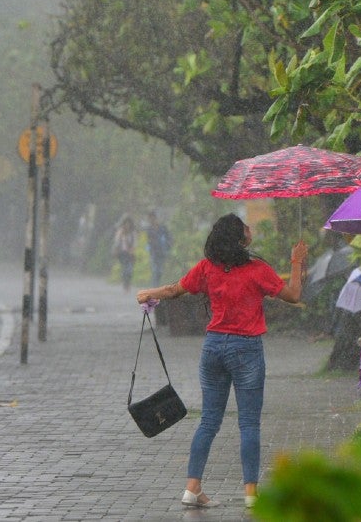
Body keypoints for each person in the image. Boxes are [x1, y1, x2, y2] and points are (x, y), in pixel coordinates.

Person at [136, 213, 307, 509]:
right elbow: (293, 295)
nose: (250, 229)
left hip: (213, 348)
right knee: (249, 424)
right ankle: (252, 494)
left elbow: (174, 291)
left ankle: (192, 487)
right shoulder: (258, 270)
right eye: (246, 227)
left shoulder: (207, 269)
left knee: (209, 421)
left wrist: (147, 293)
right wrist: (297, 262)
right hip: (246, 349)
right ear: (240, 238)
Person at [145, 211, 172, 287]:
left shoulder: (162, 228)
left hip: (162, 252)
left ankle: (156, 285)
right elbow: (149, 241)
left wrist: (168, 246)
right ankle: (154, 286)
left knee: (160, 271)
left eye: (153, 218)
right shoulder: (149, 229)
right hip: (153, 252)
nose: (151, 220)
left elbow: (169, 238)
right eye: (150, 218)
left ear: (156, 218)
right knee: (155, 270)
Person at [112, 215, 136, 292]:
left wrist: (132, 250)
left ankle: (127, 283)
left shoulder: (133, 233)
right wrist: (115, 250)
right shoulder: (120, 232)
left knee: (129, 270)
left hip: (130, 254)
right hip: (122, 253)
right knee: (124, 269)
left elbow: (135, 243)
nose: (127, 225)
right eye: (126, 223)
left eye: (128, 224)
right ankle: (125, 285)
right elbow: (117, 242)